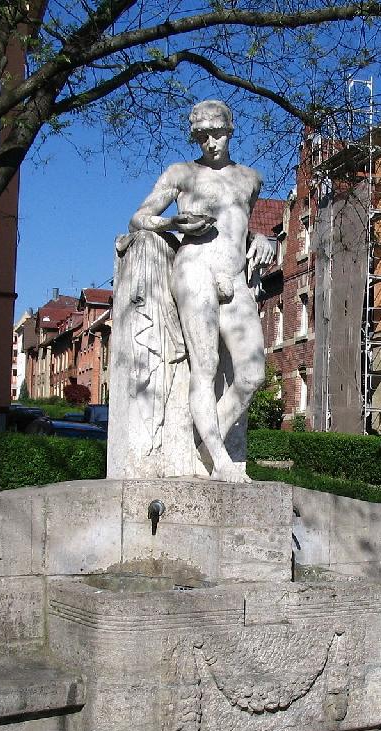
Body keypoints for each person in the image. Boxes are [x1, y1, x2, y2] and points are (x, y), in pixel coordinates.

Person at [129, 100, 274, 483]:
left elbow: (238, 225)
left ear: (230, 130)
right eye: (203, 136)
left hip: (235, 277)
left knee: (252, 374)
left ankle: (204, 441)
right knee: (206, 366)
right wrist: (173, 222)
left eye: (218, 134)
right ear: (195, 136)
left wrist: (264, 239)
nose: (211, 143)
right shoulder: (182, 173)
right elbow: (139, 217)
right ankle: (219, 460)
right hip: (195, 267)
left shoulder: (250, 179)